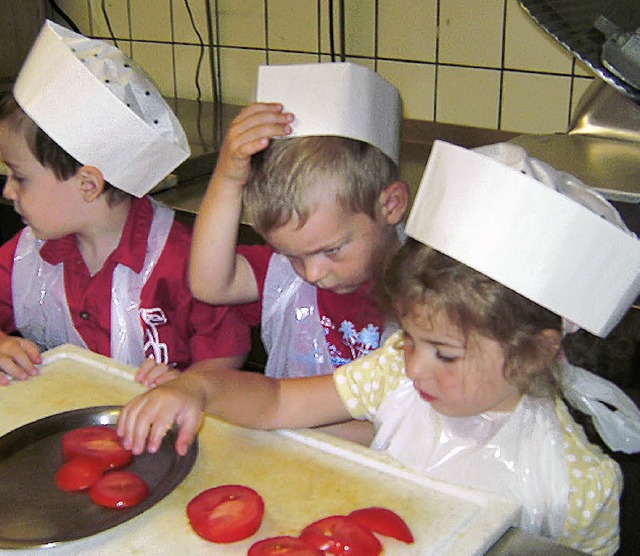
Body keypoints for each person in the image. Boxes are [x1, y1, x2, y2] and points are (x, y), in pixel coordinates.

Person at [119, 140, 640, 555]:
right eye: (410, 338)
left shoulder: (579, 487)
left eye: (445, 353)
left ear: (532, 353)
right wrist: (198, 387)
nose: (414, 364)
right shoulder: (391, 374)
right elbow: (279, 399)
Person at [0, 20, 251, 387]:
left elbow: (226, 353)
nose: (8, 190)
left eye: (19, 176)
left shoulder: (185, 262)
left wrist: (188, 387)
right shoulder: (29, 255)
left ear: (88, 183)